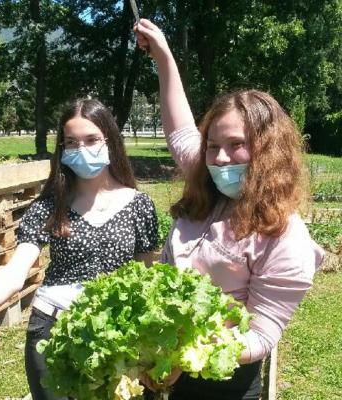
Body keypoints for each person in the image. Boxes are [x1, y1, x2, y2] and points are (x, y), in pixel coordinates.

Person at [134, 19, 324, 400]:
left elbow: (259, 337)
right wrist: (164, 56)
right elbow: (180, 130)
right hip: (171, 365)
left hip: (226, 380)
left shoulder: (285, 236)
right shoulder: (208, 180)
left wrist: (182, 354)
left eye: (236, 144)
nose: (220, 159)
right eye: (212, 145)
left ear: (268, 152)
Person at [0, 99, 158, 400]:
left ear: (110, 140)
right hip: (54, 331)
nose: (82, 149)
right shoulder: (48, 207)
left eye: (92, 139)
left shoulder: (139, 205)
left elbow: (145, 278)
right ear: (62, 148)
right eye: (71, 142)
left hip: (119, 337)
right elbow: (13, 275)